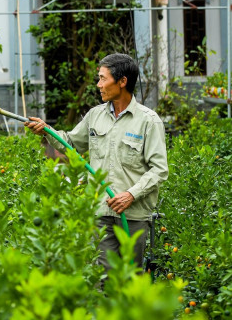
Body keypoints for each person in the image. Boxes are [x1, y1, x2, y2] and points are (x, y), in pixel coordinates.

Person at [24, 53, 169, 273]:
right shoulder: (95, 116)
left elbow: (159, 170)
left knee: (131, 277)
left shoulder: (148, 121)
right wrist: (46, 130)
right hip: (101, 211)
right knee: (104, 279)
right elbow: (70, 143)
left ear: (122, 82)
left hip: (134, 215)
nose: (98, 85)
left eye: (103, 79)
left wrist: (130, 195)